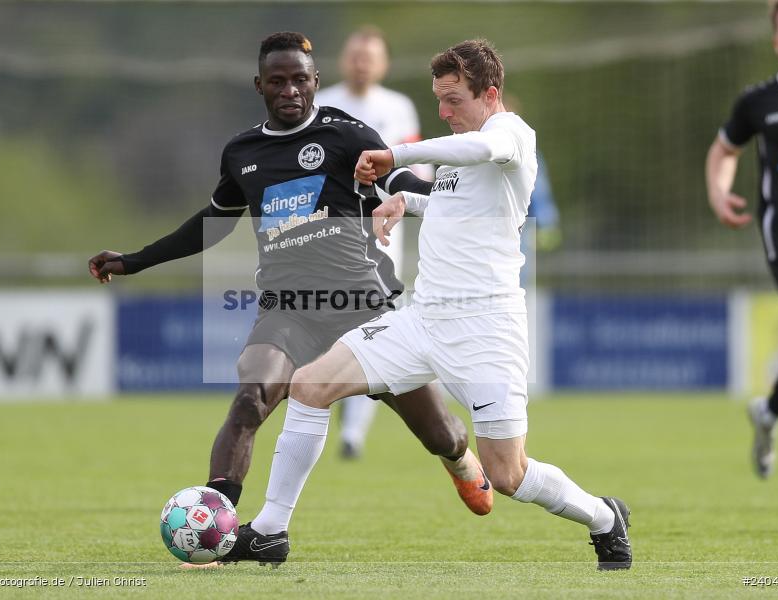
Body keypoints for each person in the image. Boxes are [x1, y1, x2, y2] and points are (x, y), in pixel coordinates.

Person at [88, 31, 495, 561]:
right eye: (277, 81)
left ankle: (460, 462)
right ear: (259, 85)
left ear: (315, 82)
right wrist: (136, 259)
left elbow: (402, 181)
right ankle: (220, 528)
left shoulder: (347, 135)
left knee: (440, 433)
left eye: (299, 80)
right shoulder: (242, 153)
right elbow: (214, 222)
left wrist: (464, 205)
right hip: (287, 310)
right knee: (250, 399)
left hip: (362, 309)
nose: (289, 90)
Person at [232, 39, 632, 571]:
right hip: (422, 320)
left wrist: (397, 156)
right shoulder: (462, 146)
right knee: (309, 385)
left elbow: (479, 152)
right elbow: (457, 206)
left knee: (507, 474)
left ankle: (603, 517)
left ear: (490, 93)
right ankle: (269, 531)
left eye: (453, 99)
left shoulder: (510, 133)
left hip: (485, 328)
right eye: (438, 99)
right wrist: (408, 199)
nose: (443, 111)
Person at [705, 0, 778, 479]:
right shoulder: (759, 101)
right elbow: (724, 150)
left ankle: (769, 412)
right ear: (776, 40)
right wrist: (719, 191)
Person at [315, 26, 431, 459]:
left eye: (370, 57)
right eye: (355, 55)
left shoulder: (398, 107)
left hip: (380, 235)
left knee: (374, 330)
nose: (361, 63)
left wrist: (406, 195)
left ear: (383, 64)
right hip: (328, 233)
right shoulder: (323, 103)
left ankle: (352, 435)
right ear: (343, 60)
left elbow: (418, 169)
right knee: (325, 329)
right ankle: (325, 413)